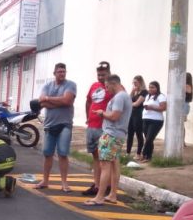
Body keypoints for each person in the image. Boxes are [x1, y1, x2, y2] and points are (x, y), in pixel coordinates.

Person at [85, 74, 132, 206]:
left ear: (113, 84)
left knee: (104, 165)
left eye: (107, 87)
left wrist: (102, 113)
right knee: (114, 165)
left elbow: (114, 116)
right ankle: (112, 194)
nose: (107, 90)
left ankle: (100, 196)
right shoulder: (124, 96)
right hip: (118, 135)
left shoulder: (119, 97)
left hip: (111, 134)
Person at [33, 63, 77, 192]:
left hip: (65, 124)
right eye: (59, 72)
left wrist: (48, 99)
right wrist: (58, 101)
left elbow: (67, 101)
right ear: (54, 73)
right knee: (47, 154)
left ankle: (64, 183)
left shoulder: (71, 85)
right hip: (49, 125)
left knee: (63, 153)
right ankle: (45, 180)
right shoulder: (47, 86)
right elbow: (42, 102)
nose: (62, 74)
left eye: (64, 71)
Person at [83, 61, 113, 196]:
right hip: (92, 126)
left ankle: (106, 185)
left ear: (109, 74)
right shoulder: (94, 86)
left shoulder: (113, 87)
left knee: (105, 159)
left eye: (103, 75)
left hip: (105, 127)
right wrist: (87, 117)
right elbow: (88, 101)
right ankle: (96, 184)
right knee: (95, 156)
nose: (100, 77)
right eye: (99, 75)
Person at [140, 81, 167, 162]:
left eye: (153, 87)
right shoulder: (148, 96)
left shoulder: (161, 96)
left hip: (156, 121)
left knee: (149, 139)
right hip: (146, 119)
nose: (150, 89)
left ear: (157, 88)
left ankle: (144, 154)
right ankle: (148, 156)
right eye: (149, 87)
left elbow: (163, 108)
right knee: (148, 139)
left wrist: (152, 107)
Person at [126, 75, 148, 160]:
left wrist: (129, 104)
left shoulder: (144, 92)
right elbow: (127, 99)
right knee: (130, 134)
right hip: (132, 114)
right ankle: (128, 152)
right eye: (133, 83)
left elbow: (137, 104)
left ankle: (138, 153)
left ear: (140, 82)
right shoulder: (134, 92)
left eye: (136, 83)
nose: (134, 84)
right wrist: (132, 92)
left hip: (139, 115)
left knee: (139, 134)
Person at [182, 72, 193, 147]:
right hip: (183, 106)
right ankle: (182, 141)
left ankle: (182, 141)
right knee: (180, 125)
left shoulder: (187, 86)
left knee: (180, 125)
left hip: (184, 106)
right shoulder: (187, 86)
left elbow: (187, 91)